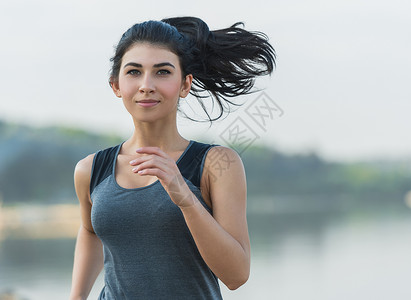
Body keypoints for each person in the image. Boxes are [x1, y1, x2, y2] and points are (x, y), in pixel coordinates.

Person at [69, 16, 275, 300]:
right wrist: (76, 297)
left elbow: (237, 276)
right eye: (133, 72)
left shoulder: (216, 164)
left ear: (185, 84)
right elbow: (90, 231)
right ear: (116, 85)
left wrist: (185, 197)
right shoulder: (91, 169)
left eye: (162, 72)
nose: (146, 85)